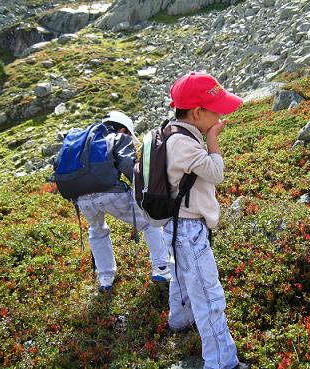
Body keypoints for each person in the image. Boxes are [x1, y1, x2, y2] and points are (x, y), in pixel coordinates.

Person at [163, 72, 244, 369]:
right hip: (188, 228)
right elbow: (215, 173)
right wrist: (212, 140)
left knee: (183, 276)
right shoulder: (185, 144)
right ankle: (222, 362)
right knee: (210, 300)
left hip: (176, 226)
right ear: (197, 113)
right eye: (216, 110)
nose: (221, 115)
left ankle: (179, 319)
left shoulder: (173, 132)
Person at [76, 111, 171, 292]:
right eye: (128, 134)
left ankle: (105, 278)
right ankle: (161, 267)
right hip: (110, 194)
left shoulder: (83, 140)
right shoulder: (117, 136)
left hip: (82, 199)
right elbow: (129, 166)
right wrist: (144, 191)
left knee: (97, 231)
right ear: (122, 129)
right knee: (149, 223)